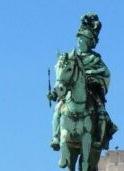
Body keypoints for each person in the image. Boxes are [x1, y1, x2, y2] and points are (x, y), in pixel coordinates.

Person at [49, 12, 117, 152]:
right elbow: (63, 77)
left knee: (101, 112)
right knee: (57, 109)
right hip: (71, 93)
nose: (80, 43)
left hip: (92, 91)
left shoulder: (95, 59)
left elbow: (106, 75)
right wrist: (55, 93)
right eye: (79, 40)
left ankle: (98, 138)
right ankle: (56, 136)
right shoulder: (71, 59)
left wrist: (92, 79)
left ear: (89, 42)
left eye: (83, 41)